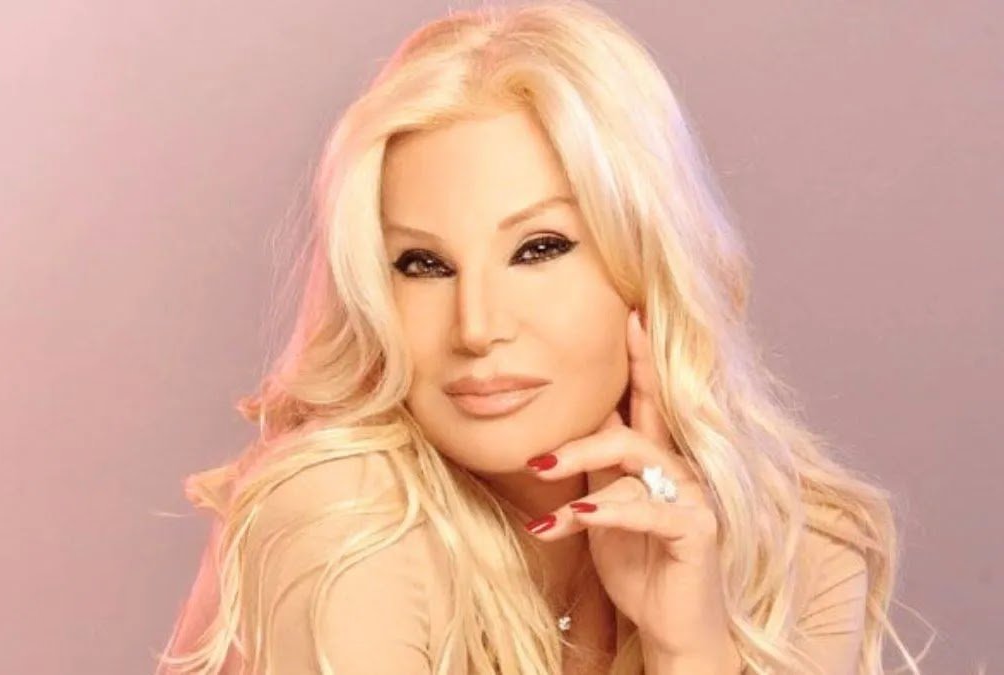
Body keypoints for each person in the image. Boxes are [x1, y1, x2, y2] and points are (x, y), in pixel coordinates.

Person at [154, 1, 932, 673]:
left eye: (539, 248)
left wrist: (691, 647)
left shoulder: (800, 545)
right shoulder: (343, 518)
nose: (477, 326)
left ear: (647, 263)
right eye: (423, 264)